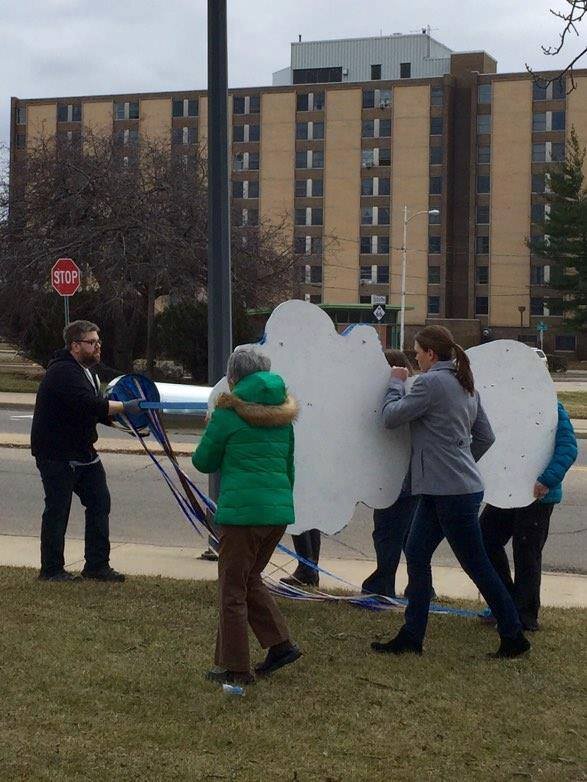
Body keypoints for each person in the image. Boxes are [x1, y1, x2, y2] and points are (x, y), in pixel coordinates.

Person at [371, 325, 530, 658]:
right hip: (446, 488)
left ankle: (514, 635)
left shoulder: (430, 383)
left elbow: (390, 417)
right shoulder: (464, 383)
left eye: (417, 352)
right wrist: (459, 461)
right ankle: (412, 635)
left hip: (451, 493)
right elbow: (485, 436)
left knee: (477, 565)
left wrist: (396, 382)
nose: (414, 357)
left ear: (430, 353)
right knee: (416, 554)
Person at [192, 347, 302, 686]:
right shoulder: (283, 415)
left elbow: (203, 462)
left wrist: (210, 429)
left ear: (234, 377)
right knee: (249, 578)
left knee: (232, 591)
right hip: (277, 512)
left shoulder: (227, 414)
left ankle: (236, 669)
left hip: (242, 516)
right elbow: (289, 467)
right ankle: (280, 645)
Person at [31, 320, 142, 582]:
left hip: (83, 452)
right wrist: (125, 407)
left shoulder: (87, 372)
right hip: (56, 454)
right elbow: (90, 403)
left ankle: (96, 565)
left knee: (99, 502)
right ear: (75, 345)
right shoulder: (63, 372)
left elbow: (93, 410)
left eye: (98, 342)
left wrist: (128, 425)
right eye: (92, 342)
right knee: (58, 511)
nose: (98, 346)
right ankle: (51, 570)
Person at [479, 401, 577, 631]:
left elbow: (568, 448)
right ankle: (505, 603)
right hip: (508, 493)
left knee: (527, 554)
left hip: (538, 496)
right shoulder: (508, 407)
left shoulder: (554, 409)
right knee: (484, 539)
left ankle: (525, 616)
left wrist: (547, 480)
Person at [362, 350, 420, 599]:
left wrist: (394, 383)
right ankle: (420, 587)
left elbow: (391, 418)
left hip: (398, 478)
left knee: (387, 534)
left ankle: (381, 586)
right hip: (411, 476)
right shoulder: (418, 391)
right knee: (409, 536)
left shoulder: (400, 393)